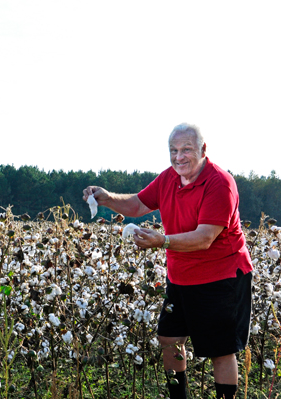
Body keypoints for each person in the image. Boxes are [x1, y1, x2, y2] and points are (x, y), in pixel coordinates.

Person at [83, 123, 252, 399]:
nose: (179, 157)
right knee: (170, 340)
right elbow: (138, 205)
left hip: (222, 278)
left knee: (220, 351)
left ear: (203, 150)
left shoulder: (219, 183)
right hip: (181, 277)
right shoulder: (168, 179)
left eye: (186, 150)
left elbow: (205, 237)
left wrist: (162, 240)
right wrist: (107, 198)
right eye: (173, 150)